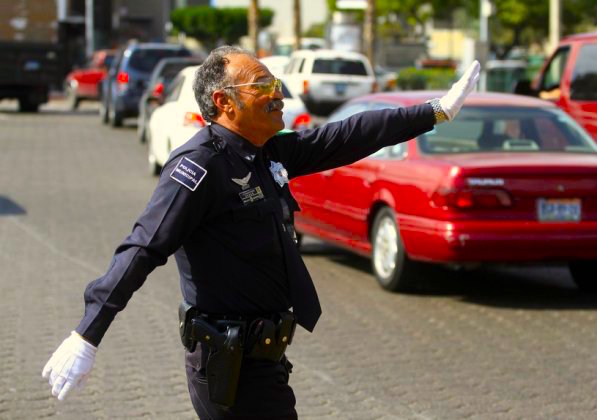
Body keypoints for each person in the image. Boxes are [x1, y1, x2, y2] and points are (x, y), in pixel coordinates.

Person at [42, 45, 480, 419]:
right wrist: (87, 333)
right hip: (228, 364)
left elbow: (346, 135)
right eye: (263, 88)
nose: (278, 96)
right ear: (224, 102)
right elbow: (142, 248)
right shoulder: (199, 167)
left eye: (277, 86)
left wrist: (435, 111)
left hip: (261, 356)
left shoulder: (263, 152)